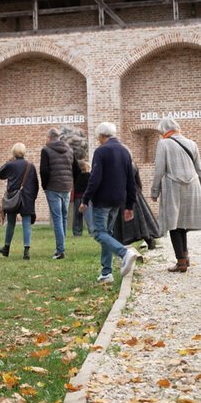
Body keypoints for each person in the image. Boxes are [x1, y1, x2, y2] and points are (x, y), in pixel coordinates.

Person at [79, 122, 142, 284]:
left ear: (102, 136)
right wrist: (129, 204)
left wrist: (85, 199)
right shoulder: (124, 151)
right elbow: (131, 180)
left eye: (98, 137)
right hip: (118, 200)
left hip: (102, 199)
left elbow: (94, 178)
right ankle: (106, 273)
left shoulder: (101, 151)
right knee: (107, 233)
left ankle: (124, 253)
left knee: (98, 233)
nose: (98, 140)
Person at [150, 118, 201, 272]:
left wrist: (155, 190)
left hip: (173, 186)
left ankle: (181, 262)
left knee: (174, 224)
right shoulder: (191, 143)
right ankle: (184, 257)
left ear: (164, 130)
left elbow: (159, 169)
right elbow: (199, 169)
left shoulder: (164, 143)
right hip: (193, 186)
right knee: (182, 223)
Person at [40, 127, 80, 259]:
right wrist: (70, 183)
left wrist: (45, 186)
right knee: (63, 217)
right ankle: (62, 246)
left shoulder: (46, 150)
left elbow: (44, 171)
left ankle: (60, 250)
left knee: (57, 218)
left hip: (53, 187)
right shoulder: (69, 150)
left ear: (49, 138)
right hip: (67, 188)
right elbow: (77, 170)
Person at [0, 143, 39, 260]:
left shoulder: (10, 165)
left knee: (11, 222)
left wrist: (8, 161)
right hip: (27, 198)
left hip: (13, 197)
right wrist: (33, 198)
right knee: (26, 223)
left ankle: (6, 248)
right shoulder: (30, 166)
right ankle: (26, 251)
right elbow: (36, 184)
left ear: (13, 152)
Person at [112, 160, 159, 250]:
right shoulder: (132, 164)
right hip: (134, 193)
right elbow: (138, 182)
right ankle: (149, 239)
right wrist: (138, 193)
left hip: (123, 194)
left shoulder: (117, 165)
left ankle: (122, 244)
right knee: (141, 221)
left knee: (123, 220)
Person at [72, 160, 91, 236]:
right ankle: (91, 231)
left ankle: (77, 232)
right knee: (89, 216)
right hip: (87, 198)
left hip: (77, 197)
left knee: (77, 216)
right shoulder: (89, 176)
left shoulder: (76, 176)